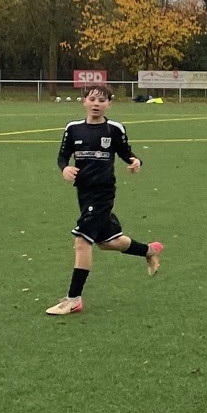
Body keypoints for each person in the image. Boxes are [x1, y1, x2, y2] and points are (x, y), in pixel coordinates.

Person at [46, 84, 163, 315]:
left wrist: (136, 162)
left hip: (103, 193)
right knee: (107, 241)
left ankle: (73, 299)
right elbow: (62, 156)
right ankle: (149, 251)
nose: (96, 104)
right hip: (83, 193)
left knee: (82, 240)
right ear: (84, 101)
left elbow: (127, 153)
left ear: (109, 103)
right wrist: (64, 168)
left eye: (102, 100)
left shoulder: (114, 129)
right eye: (92, 99)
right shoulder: (73, 128)